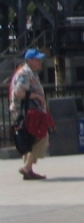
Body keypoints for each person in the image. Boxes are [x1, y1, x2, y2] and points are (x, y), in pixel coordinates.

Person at [9, 49, 49, 180]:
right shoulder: (25, 73)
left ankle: (29, 170)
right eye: (37, 59)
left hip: (25, 113)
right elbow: (19, 92)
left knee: (29, 139)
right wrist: (36, 96)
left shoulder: (29, 72)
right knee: (41, 136)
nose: (40, 62)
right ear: (29, 60)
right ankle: (26, 168)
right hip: (26, 113)